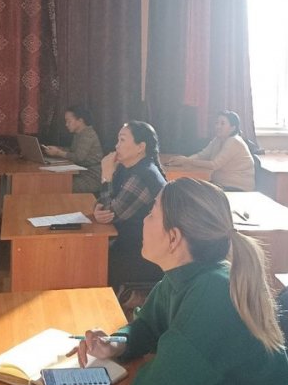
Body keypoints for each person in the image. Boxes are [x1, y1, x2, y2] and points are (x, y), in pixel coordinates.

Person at [76, 178, 288, 385]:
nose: (144, 220)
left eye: (151, 213)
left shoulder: (213, 294)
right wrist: (117, 344)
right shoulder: (185, 276)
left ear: (173, 238)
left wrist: (156, 370)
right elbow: (148, 325)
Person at [95, 121, 167, 288]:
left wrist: (106, 175)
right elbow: (105, 203)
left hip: (142, 252)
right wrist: (97, 210)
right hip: (128, 241)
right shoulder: (125, 167)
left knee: (94, 262)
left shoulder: (143, 174)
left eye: (122, 140)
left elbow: (111, 213)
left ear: (140, 147)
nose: (116, 146)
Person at [165, 110, 255, 191]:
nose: (218, 126)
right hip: (220, 184)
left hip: (237, 187)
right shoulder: (218, 139)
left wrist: (187, 161)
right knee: (189, 188)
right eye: (217, 123)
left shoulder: (234, 141)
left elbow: (214, 165)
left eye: (222, 123)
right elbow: (202, 155)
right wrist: (184, 160)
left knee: (192, 192)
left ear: (232, 128)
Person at [43, 105, 103, 193]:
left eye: (69, 121)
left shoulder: (88, 134)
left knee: (59, 185)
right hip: (81, 172)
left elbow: (78, 157)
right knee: (55, 181)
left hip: (91, 176)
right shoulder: (79, 133)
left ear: (80, 121)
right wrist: (57, 149)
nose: (66, 124)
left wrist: (58, 152)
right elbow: (72, 151)